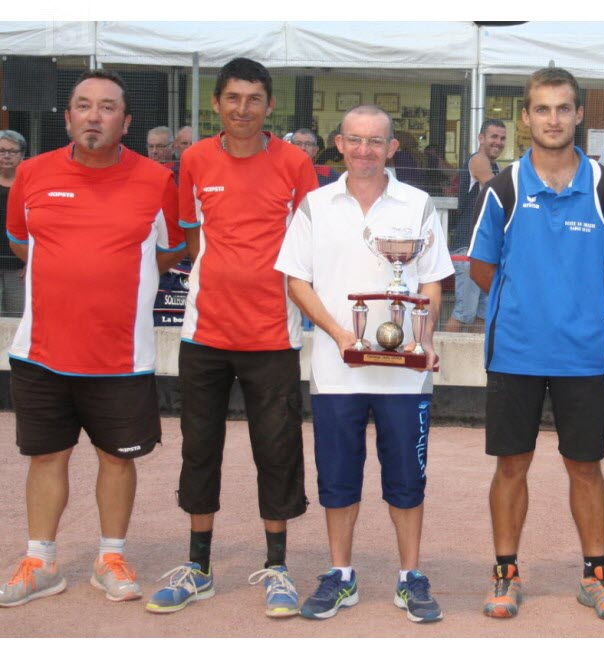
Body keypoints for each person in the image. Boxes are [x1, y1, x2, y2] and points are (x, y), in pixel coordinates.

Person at [0, 70, 184, 607]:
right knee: (46, 457)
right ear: (68, 117)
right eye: (84, 106)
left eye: (107, 108)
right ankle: (41, 561)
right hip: (42, 353)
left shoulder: (156, 181)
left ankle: (110, 555)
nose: (94, 116)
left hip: (121, 358)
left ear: (125, 122)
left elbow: (170, 251)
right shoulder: (31, 174)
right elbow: (21, 244)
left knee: (116, 458)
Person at [146, 57, 318, 618]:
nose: (243, 109)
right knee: (200, 450)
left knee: (278, 452)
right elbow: (193, 240)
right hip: (205, 334)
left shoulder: (295, 163)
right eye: (233, 98)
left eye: (254, 99)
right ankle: (198, 568)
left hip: (273, 337)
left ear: (270, 106)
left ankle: (277, 569)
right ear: (217, 104)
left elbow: (310, 249)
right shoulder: (193, 160)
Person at [276, 104, 453, 623]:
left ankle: (409, 577)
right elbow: (296, 280)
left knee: (406, 480)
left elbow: (432, 283)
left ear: (392, 148)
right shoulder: (314, 204)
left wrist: (418, 339)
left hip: (405, 376)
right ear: (339, 143)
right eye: (354, 140)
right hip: (337, 370)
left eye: (376, 141)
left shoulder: (417, 205)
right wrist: (339, 334)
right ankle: (341, 575)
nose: (364, 150)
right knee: (338, 479)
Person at [469, 67, 604, 621]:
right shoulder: (504, 189)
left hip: (581, 352)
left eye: (563, 108)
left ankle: (595, 576)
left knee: (585, 466)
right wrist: (529, 303)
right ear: (525, 117)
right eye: (542, 109)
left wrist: (578, 302)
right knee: (511, 464)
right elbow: (482, 267)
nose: (553, 119)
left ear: (580, 114)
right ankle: (506, 573)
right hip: (515, 350)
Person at [445, 119, 506, 333]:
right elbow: (500, 194)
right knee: (464, 313)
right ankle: (442, 360)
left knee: (484, 313)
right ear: (481, 138)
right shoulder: (479, 160)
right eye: (493, 137)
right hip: (467, 248)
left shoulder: (493, 164)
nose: (498, 142)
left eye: (502, 138)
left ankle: (478, 364)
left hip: (483, 250)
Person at [0, 129, 27, 316]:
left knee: (16, 318)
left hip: (18, 267)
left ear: (22, 156)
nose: (6, 155)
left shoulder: (30, 183)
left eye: (12, 151)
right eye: (1, 151)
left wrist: (30, 261)